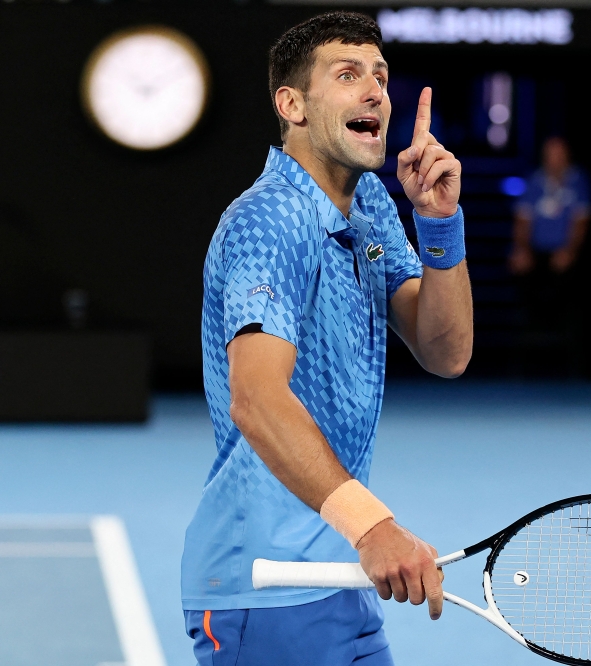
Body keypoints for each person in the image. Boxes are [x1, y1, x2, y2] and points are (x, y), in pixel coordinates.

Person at [180, 12, 473, 666]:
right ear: (293, 105)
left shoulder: (370, 202)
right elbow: (256, 398)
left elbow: (446, 351)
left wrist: (440, 223)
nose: (375, 92)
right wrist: (375, 527)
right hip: (266, 588)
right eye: (348, 76)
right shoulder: (266, 221)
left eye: (381, 77)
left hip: (340, 578)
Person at [507, 137, 591, 350]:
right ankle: (532, 333)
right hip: (536, 252)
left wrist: (570, 251)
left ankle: (563, 337)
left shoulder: (578, 181)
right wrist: (521, 250)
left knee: (566, 276)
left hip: (566, 252)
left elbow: (581, 222)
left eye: (558, 155)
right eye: (550, 155)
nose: (554, 160)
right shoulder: (534, 182)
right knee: (520, 266)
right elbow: (522, 221)